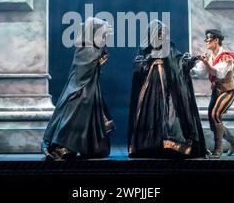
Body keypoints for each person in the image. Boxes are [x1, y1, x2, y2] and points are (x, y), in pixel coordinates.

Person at [127, 20, 207, 158]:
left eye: (165, 32)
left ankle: (172, 144)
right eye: (160, 32)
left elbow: (179, 61)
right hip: (150, 87)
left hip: (169, 86)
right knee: (150, 113)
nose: (163, 35)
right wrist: (150, 58)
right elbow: (138, 65)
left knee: (170, 112)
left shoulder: (169, 47)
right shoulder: (146, 48)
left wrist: (191, 60)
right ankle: (150, 146)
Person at [42, 17, 114, 160]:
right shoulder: (86, 49)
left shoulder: (92, 48)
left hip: (89, 89)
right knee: (74, 116)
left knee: (85, 118)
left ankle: (85, 147)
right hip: (80, 89)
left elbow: (93, 66)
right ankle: (62, 146)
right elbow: (83, 71)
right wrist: (98, 62)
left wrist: (98, 62)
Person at [192, 29, 234, 158]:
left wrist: (206, 62)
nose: (206, 42)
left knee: (215, 114)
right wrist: (187, 66)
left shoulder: (227, 56)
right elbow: (199, 71)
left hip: (227, 90)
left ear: (216, 40)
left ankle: (218, 149)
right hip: (216, 91)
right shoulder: (209, 55)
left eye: (208, 39)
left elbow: (218, 73)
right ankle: (233, 141)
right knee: (213, 121)